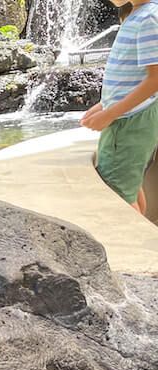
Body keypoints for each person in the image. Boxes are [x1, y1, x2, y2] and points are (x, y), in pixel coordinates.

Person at [81, 0, 158, 215]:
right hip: (128, 118)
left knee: (116, 194)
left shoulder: (148, 18)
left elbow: (155, 79)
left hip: (129, 122)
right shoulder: (137, 14)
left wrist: (110, 113)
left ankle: (131, 247)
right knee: (128, 187)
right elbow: (133, 76)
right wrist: (104, 105)